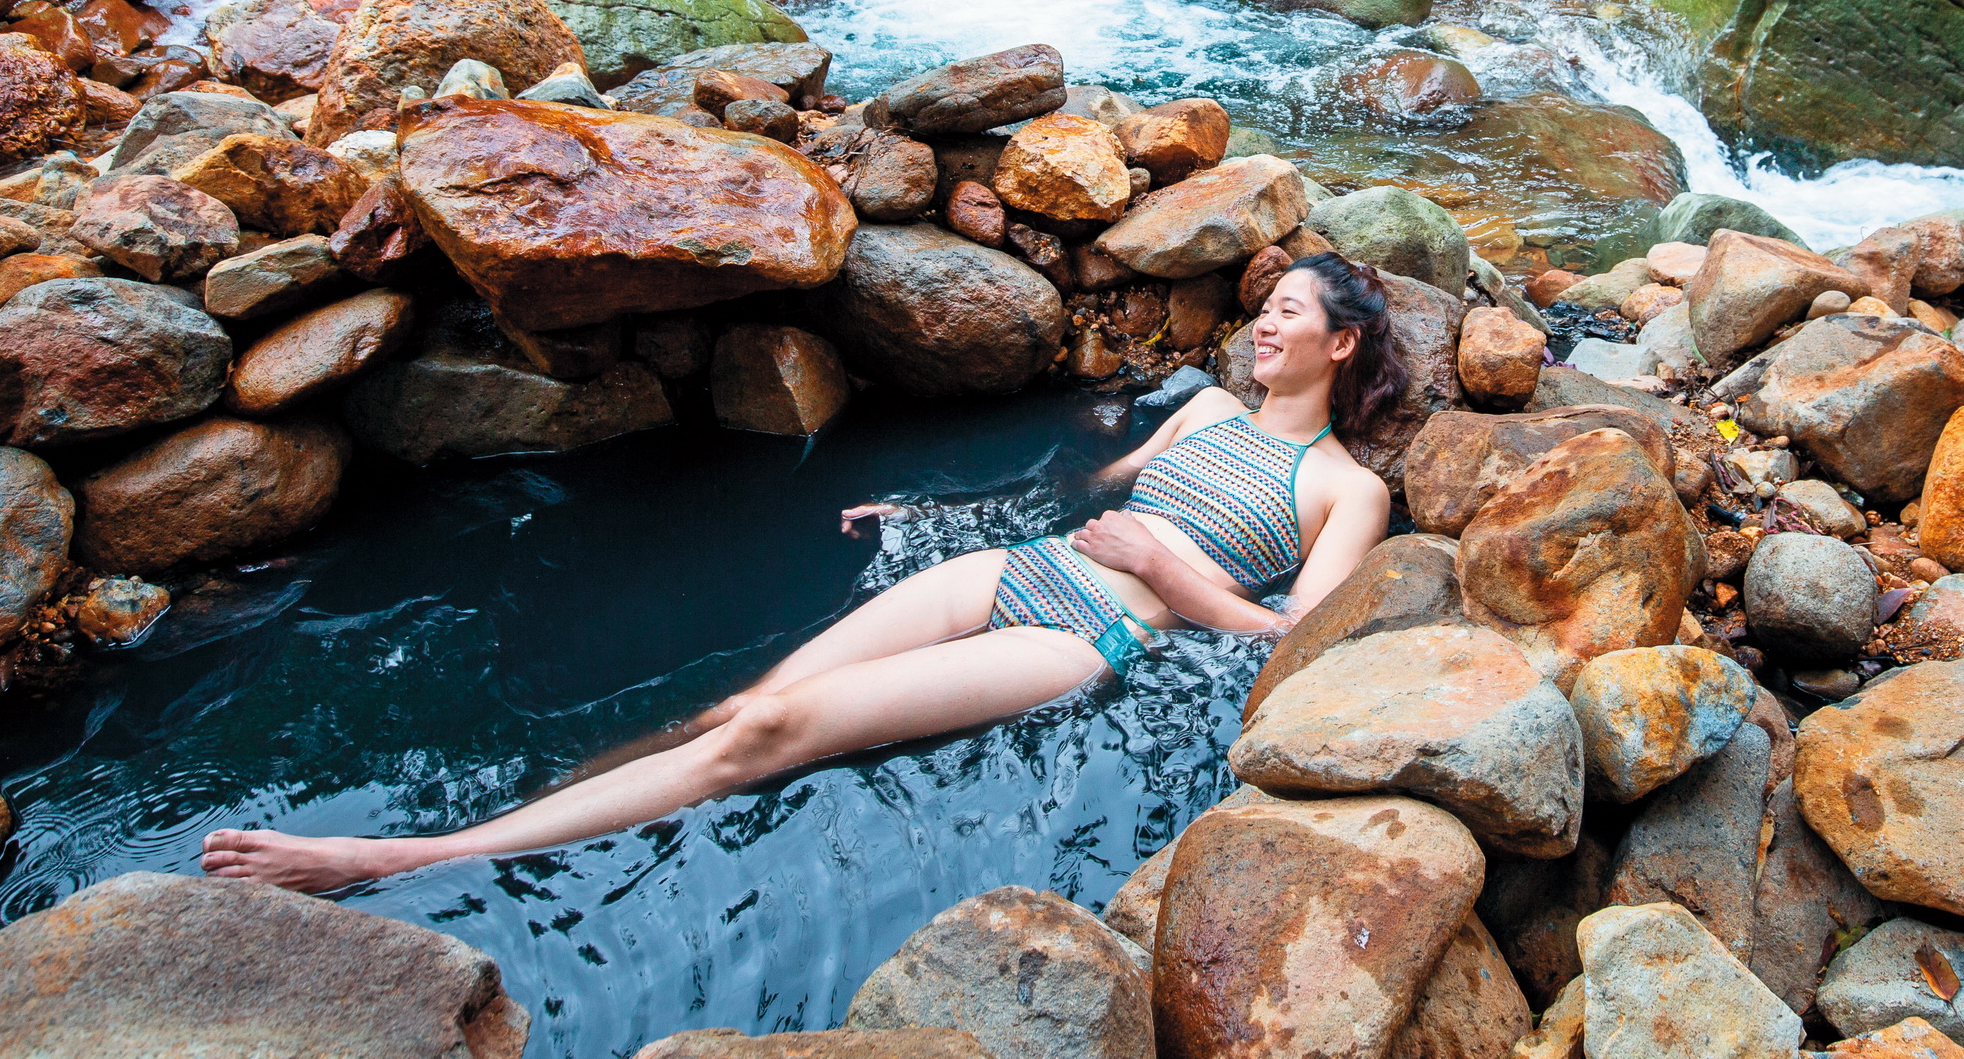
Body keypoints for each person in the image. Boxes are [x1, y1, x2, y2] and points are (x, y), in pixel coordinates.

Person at [200, 253, 1402, 893]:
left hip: (1089, 640)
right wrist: (933, 508)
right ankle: (547, 800)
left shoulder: (1350, 490)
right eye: (1264, 310)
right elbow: (1069, 498)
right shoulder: (1197, 415)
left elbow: (1286, 640)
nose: (1262, 326)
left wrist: (1164, 566)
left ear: (1339, 345)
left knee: (768, 729)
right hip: (1010, 567)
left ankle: (401, 860)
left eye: (1287, 313)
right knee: (728, 703)